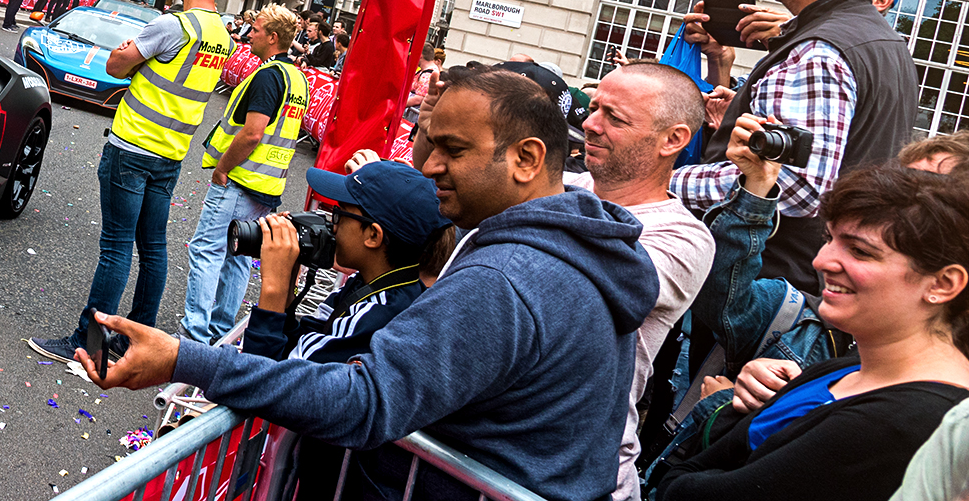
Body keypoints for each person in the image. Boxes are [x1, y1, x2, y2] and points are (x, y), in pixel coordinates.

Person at [80, 65, 658, 501]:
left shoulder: (506, 278)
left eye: (452, 150)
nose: (429, 166)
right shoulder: (568, 252)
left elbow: (364, 401)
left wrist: (183, 359)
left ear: (527, 158)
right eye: (431, 145)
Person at [653, 165, 969, 500]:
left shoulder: (900, 422)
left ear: (942, 284)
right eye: (829, 239)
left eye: (860, 251)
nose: (822, 261)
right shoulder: (844, 370)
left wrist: (720, 411)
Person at [675, 0, 920, 296]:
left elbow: (793, 184)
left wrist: (663, 183)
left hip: (771, 284)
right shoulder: (882, 41)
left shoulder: (819, 51)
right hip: (815, 280)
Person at [27, 0, 233, 366]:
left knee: (117, 247)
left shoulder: (172, 25)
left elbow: (117, 66)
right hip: (170, 154)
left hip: (133, 146)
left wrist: (129, 56)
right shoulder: (222, 36)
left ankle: (89, 343)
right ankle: (139, 340)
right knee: (153, 248)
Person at [240, 160, 455, 500]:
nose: (331, 225)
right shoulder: (368, 285)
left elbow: (262, 376)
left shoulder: (383, 312)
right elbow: (303, 342)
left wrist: (274, 288)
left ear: (373, 235)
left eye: (340, 215)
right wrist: (290, 282)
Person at [568, 63, 716, 500]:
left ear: (673, 139)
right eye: (593, 108)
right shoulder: (556, 186)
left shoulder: (684, 237)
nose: (590, 124)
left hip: (588, 468)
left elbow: (581, 285)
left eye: (614, 117)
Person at [181, 3, 310, 344]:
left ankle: (194, 335)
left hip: (240, 179)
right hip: (266, 184)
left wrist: (223, 167)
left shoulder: (269, 76)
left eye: (257, 28)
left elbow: (253, 132)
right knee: (237, 257)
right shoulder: (297, 78)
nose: (249, 32)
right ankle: (220, 331)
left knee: (207, 251)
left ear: (272, 38)